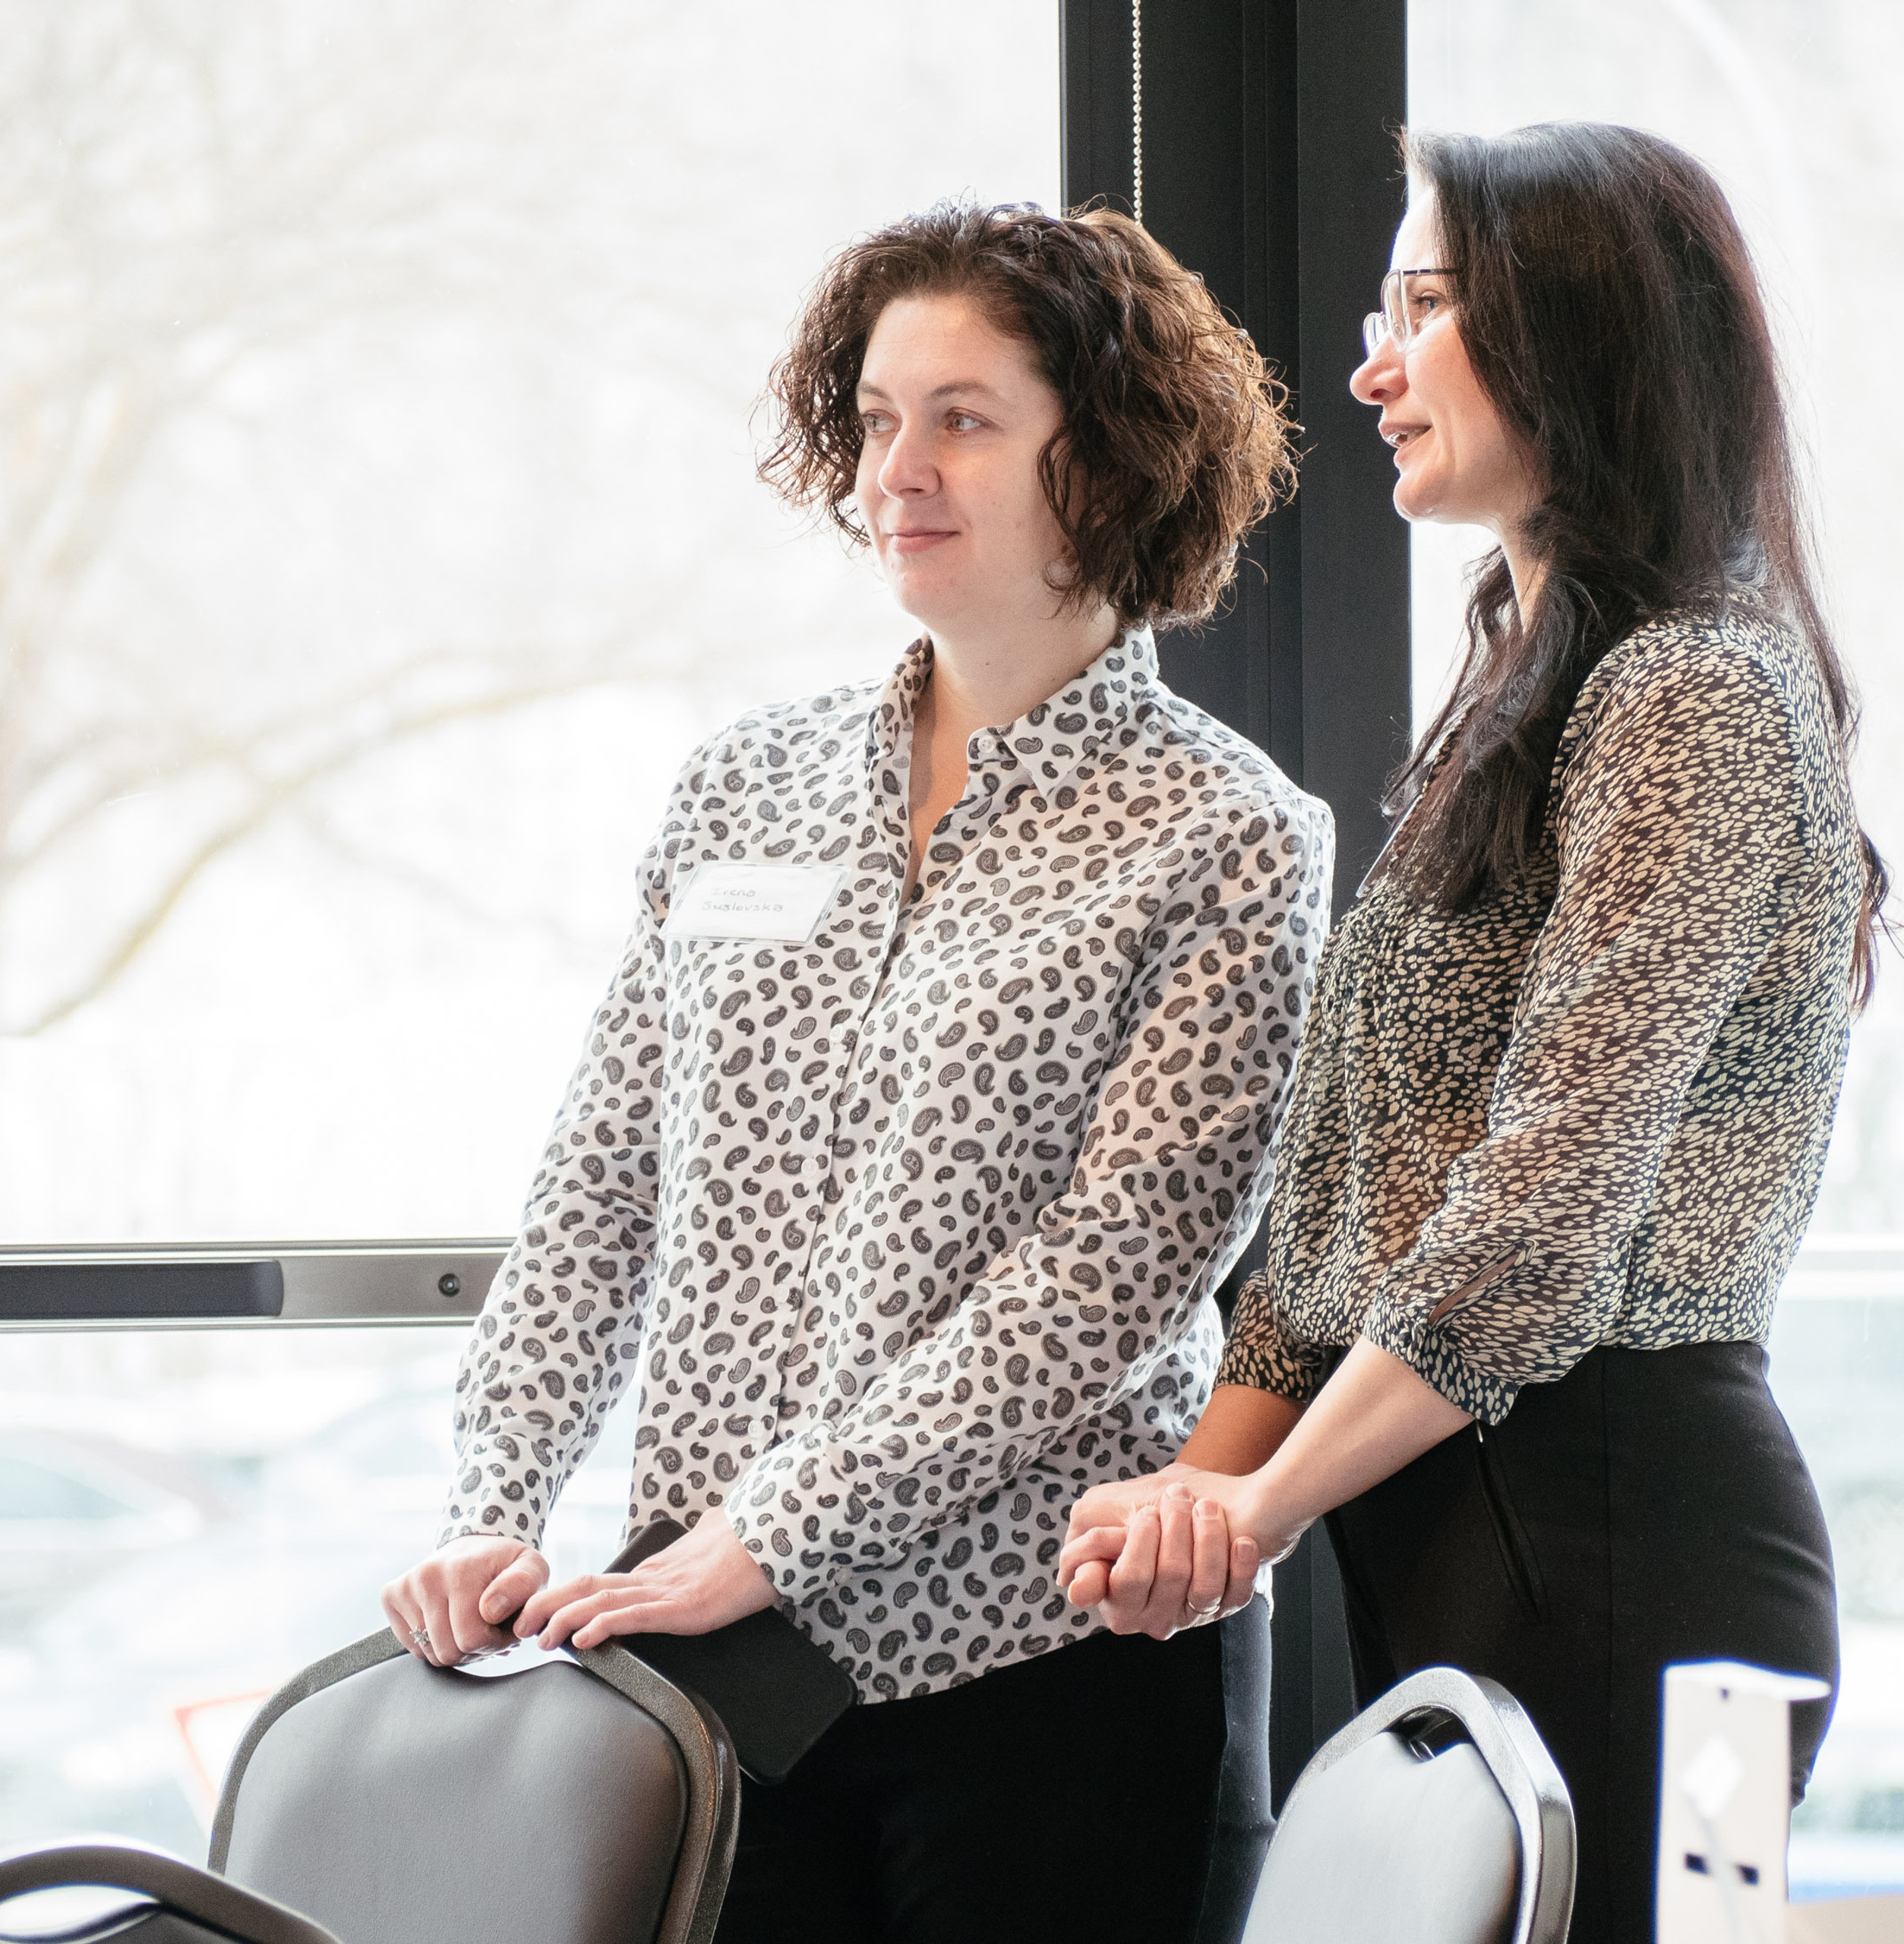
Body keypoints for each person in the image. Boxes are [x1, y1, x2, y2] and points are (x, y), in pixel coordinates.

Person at [380, 200, 1334, 1944]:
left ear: (1104, 460)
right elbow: (598, 1184)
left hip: (1043, 1670)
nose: (898, 464)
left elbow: (1106, 1289)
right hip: (715, 1674)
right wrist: (493, 1503)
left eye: (962, 418)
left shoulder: (1229, 836)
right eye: (876, 417)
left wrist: (774, 1524)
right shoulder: (739, 787)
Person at [1059, 123, 1888, 1942]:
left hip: (1649, 1556)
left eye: (1423, 308)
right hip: (1462, 1524)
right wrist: (1204, 1493)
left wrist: (1256, 1506)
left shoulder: (1693, 689)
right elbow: (1350, 1182)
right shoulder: (1527, 672)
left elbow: (1537, 1221)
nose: (1366, 365)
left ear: (1577, 337)